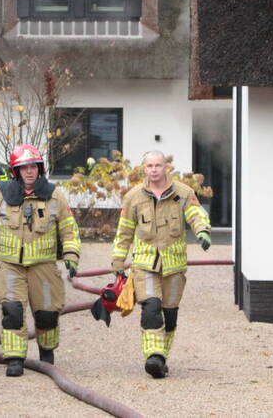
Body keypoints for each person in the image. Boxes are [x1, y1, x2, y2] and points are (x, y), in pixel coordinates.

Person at [0, 143, 81, 376]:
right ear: (16, 170)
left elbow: (69, 229)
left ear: (39, 168)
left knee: (47, 313)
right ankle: (15, 359)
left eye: (33, 167)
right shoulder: (0, 194)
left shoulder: (54, 195)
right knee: (12, 310)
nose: (29, 172)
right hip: (9, 265)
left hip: (44, 266)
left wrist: (71, 255)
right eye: (24, 167)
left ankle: (46, 352)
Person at [110, 150, 211, 379]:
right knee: (151, 307)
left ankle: (161, 358)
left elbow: (196, 214)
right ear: (144, 169)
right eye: (150, 166)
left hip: (174, 265)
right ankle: (153, 356)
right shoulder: (134, 197)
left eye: (158, 165)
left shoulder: (183, 193)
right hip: (144, 264)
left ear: (166, 167)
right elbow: (124, 231)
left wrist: (202, 231)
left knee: (170, 313)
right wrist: (118, 260)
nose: (154, 170)